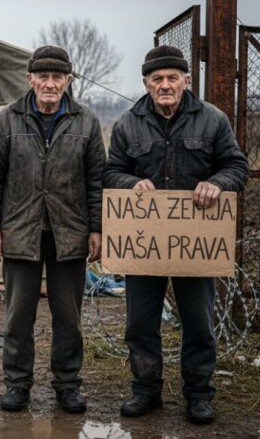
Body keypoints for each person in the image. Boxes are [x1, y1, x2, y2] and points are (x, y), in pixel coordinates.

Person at [103, 45, 248, 425]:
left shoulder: (213, 120)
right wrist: (131, 183)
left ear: (186, 80)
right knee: (139, 324)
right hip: (144, 243)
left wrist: (216, 183)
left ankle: (199, 395)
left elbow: (236, 166)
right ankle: (145, 391)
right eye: (157, 79)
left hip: (194, 243)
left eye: (172, 78)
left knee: (199, 324)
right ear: (146, 84)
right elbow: (110, 172)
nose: (165, 85)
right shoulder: (127, 124)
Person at [0, 45, 106, 413]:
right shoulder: (7, 120)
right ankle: (17, 384)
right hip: (20, 231)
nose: (50, 84)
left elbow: (97, 179)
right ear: (30, 79)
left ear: (68, 80)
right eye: (43, 76)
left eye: (57, 77)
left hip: (69, 234)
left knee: (68, 316)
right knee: (19, 315)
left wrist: (96, 228)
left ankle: (67, 385)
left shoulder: (86, 122)